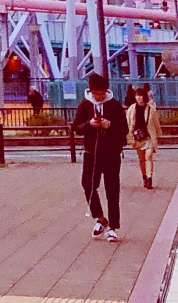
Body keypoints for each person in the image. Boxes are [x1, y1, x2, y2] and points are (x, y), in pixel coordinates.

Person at [71, 71, 127, 242]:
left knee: (112, 189)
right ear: (91, 91)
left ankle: (113, 227)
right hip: (91, 153)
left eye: (102, 94)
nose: (100, 97)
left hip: (111, 153)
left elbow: (124, 129)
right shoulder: (85, 105)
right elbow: (77, 127)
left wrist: (109, 125)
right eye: (97, 94)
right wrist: (89, 124)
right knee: (88, 184)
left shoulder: (115, 105)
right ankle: (100, 218)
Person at [127, 83, 163, 191]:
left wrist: (158, 133)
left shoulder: (151, 109)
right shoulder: (132, 109)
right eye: (137, 95)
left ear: (145, 97)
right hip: (137, 137)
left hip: (148, 137)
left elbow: (155, 122)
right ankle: (144, 176)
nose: (138, 98)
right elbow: (128, 123)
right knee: (141, 158)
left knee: (149, 157)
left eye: (140, 95)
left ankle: (149, 178)